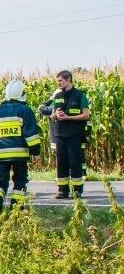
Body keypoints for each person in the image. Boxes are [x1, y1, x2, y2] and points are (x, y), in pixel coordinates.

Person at [0, 80, 41, 218]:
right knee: (20, 181)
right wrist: (35, 152)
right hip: (19, 154)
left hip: (0, 155)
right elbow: (31, 134)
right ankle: (17, 210)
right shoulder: (24, 110)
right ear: (21, 94)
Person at [50, 70, 90, 198]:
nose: (59, 83)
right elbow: (52, 116)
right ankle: (62, 190)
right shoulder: (57, 96)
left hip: (74, 134)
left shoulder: (79, 95)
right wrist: (57, 115)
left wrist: (68, 118)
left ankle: (77, 190)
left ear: (68, 79)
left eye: (61, 81)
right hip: (60, 134)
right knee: (61, 162)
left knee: (75, 162)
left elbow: (86, 115)